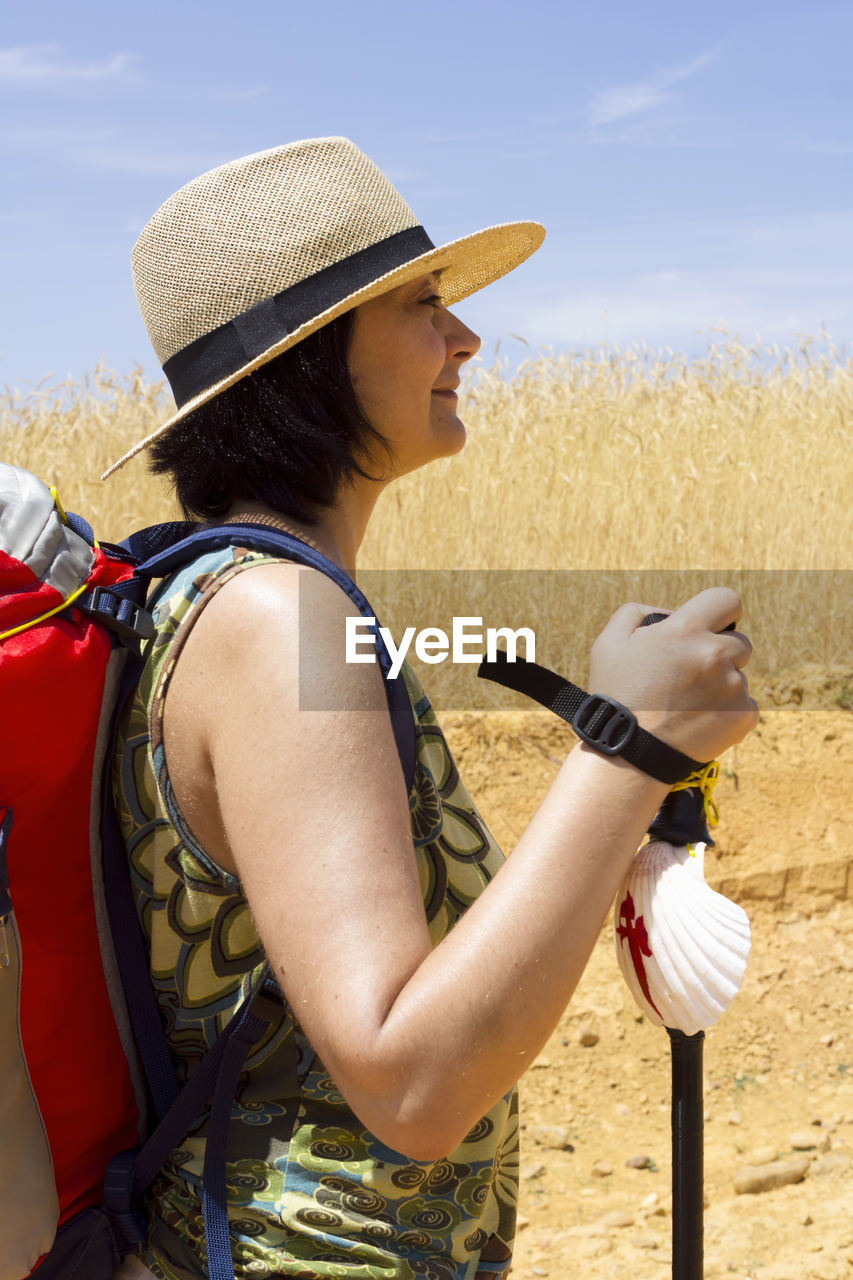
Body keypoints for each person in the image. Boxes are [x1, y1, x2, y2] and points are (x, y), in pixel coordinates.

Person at [106, 136, 758, 1280]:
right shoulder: (277, 620)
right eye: (421, 304)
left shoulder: (215, 594)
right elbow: (408, 1080)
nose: (462, 336)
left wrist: (617, 812)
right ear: (307, 356)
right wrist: (624, 750)